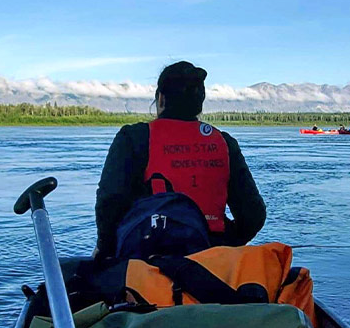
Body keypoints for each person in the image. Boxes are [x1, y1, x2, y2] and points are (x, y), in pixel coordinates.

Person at [95, 61, 265, 257]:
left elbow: (109, 203)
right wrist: (228, 242)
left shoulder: (133, 138)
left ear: (161, 99)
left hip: (148, 260)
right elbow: (254, 216)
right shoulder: (225, 143)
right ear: (200, 102)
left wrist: (106, 250)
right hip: (213, 261)